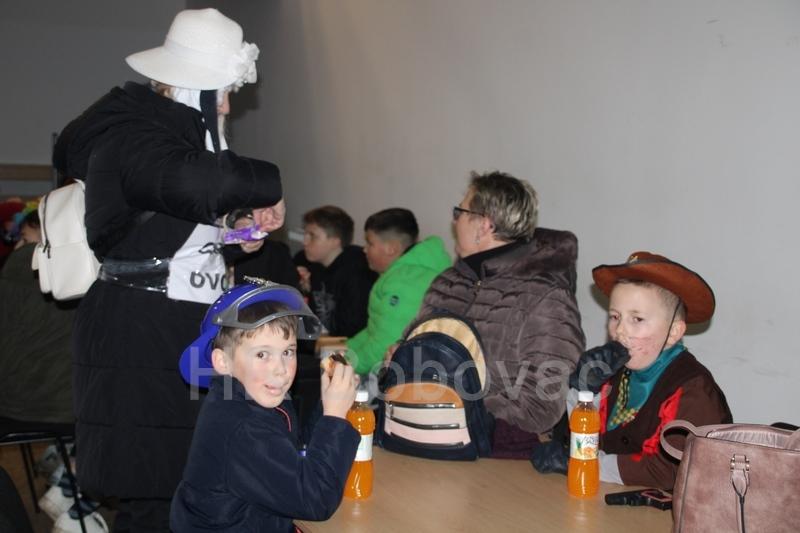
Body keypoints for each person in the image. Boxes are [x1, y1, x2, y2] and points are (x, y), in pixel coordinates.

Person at [52, 8, 286, 530]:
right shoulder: (137, 137)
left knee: (188, 482)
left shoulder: (168, 141)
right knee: (156, 492)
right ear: (193, 87)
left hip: (175, 325)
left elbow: (171, 233)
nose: (228, 106)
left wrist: (238, 233)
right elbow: (202, 186)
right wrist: (268, 187)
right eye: (223, 92)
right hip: (142, 332)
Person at [416, 171, 585, 458]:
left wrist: (459, 411)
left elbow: (541, 404)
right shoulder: (448, 282)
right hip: (422, 435)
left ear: (484, 225)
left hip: (502, 456)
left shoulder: (545, 297)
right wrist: (401, 357)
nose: (454, 221)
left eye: (459, 212)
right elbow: (414, 352)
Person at [171, 281, 359, 532]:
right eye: (262, 354)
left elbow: (295, 454)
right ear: (223, 362)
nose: (280, 369)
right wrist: (335, 417)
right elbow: (315, 500)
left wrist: (326, 406)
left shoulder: (253, 396)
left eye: (288, 352)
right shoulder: (242, 426)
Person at [560, 251, 731, 489]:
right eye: (615, 317)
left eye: (637, 319)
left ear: (673, 332)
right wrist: (584, 392)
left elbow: (671, 470)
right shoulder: (616, 373)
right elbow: (580, 437)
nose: (620, 330)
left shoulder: (693, 390)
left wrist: (586, 463)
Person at [346, 208, 451, 376]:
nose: (364, 249)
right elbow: (375, 329)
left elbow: (384, 345)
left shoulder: (405, 282)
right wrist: (344, 351)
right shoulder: (408, 273)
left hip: (413, 375)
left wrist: (340, 366)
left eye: (370, 243)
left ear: (391, 248)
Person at [0, 211, 76, 424]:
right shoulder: (86, 274)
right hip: (71, 406)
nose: (17, 246)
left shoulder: (18, 268)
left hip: (13, 403)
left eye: (24, 239)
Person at [295, 205, 376, 337]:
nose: (305, 242)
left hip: (345, 345)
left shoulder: (357, 273)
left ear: (335, 241)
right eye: (305, 234)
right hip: (321, 342)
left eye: (312, 236)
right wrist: (304, 290)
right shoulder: (308, 262)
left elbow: (351, 329)